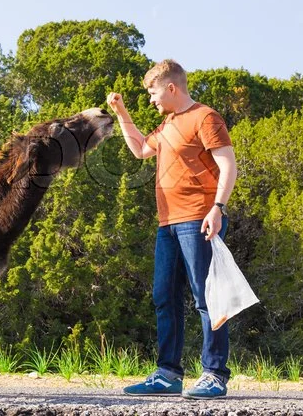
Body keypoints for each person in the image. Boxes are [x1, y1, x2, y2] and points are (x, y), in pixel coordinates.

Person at [106, 59, 237, 399]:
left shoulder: (205, 118)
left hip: (198, 219)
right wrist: (121, 113)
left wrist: (217, 209)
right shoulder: (166, 125)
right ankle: (167, 374)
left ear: (171, 87)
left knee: (207, 297)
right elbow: (139, 150)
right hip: (167, 224)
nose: (151, 99)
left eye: (152, 93)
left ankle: (215, 373)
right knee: (164, 297)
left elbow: (228, 165)